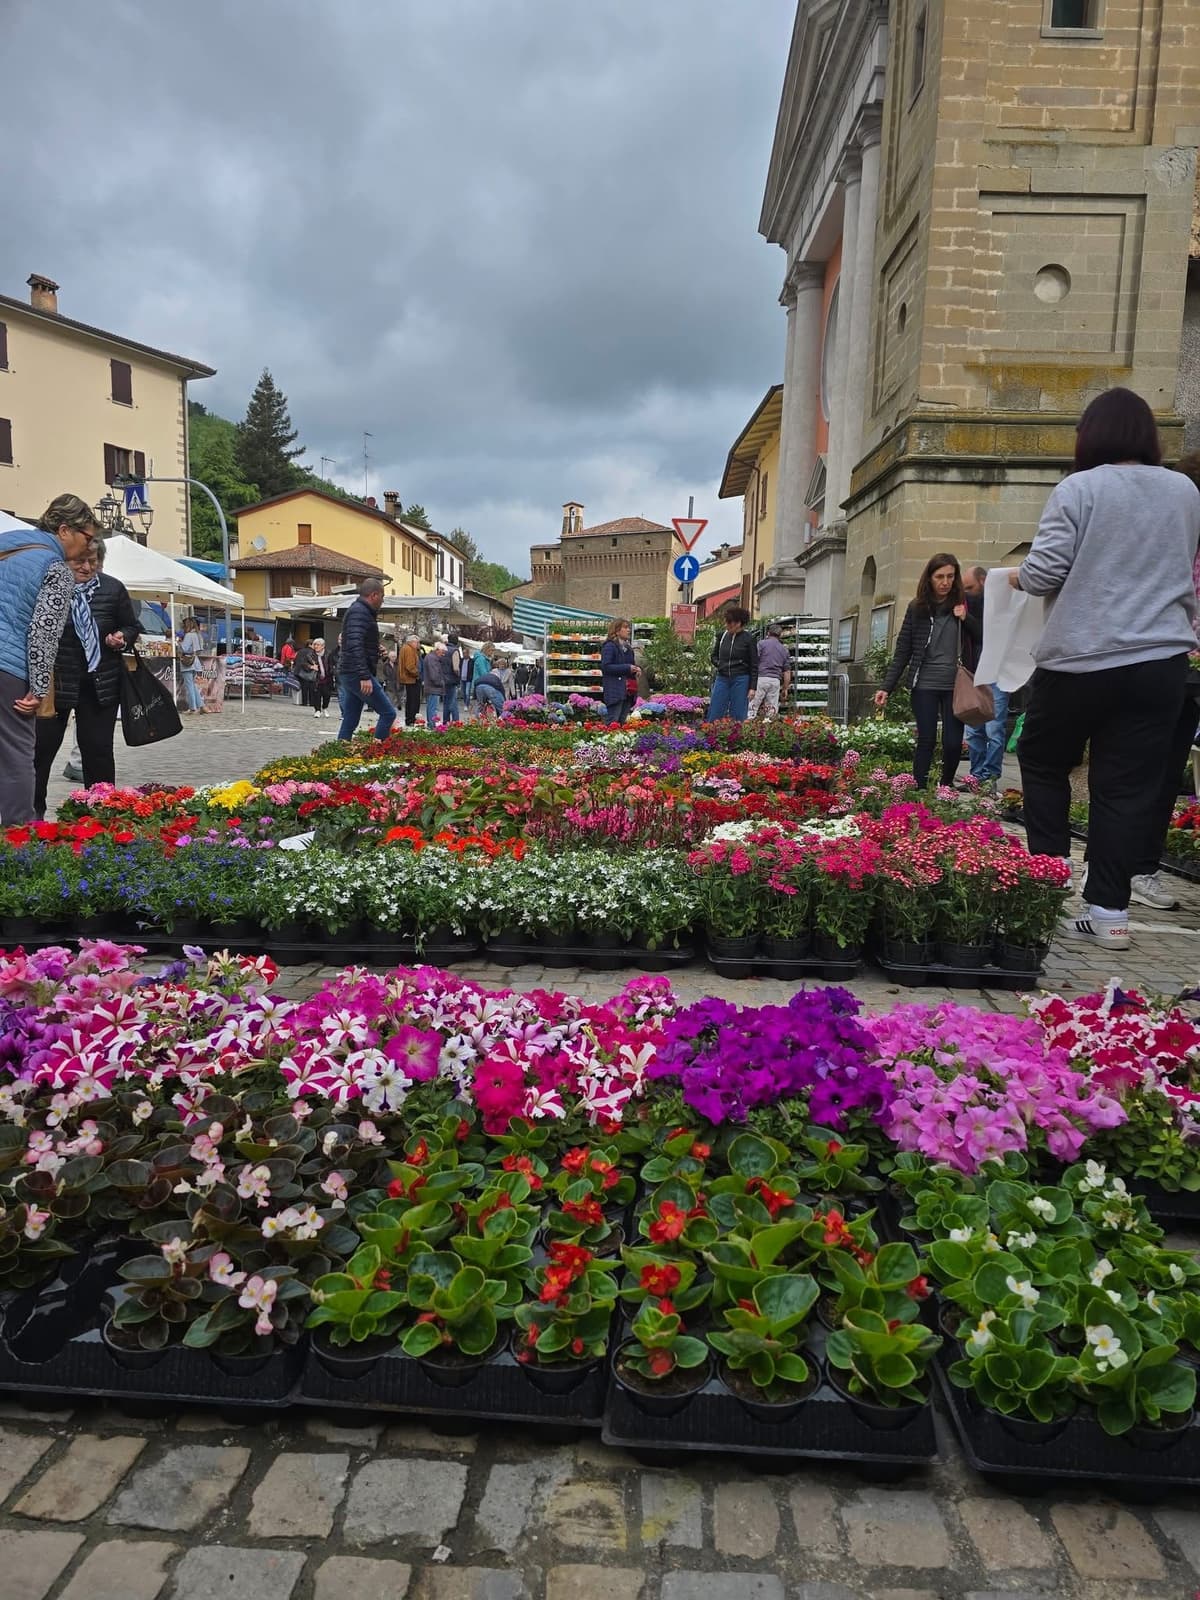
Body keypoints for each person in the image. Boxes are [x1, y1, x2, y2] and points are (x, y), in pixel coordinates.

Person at [1014, 387, 1200, 950]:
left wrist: (1015, 577)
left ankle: (1046, 884)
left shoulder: (1080, 488)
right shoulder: (1184, 491)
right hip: (1160, 660)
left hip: (1083, 655)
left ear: (1089, 436)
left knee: (1043, 760)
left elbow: (1045, 574)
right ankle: (1109, 911)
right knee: (1127, 786)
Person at [0, 493, 96, 824]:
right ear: (65, 530)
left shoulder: (6, 544)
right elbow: (43, 633)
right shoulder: (56, 568)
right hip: (7, 667)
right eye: (87, 538)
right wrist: (38, 690)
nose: (87, 547)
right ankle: (17, 845)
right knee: (16, 755)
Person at [33, 536, 140, 816]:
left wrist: (122, 637)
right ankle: (32, 817)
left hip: (100, 684)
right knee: (40, 753)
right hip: (56, 685)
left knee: (98, 753)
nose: (87, 567)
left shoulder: (112, 589)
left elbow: (131, 625)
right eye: (79, 561)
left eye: (93, 561)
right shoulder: (48, 587)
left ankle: (100, 815)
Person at [875, 553, 979, 789]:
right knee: (927, 739)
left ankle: (945, 786)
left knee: (953, 743)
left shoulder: (964, 603)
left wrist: (966, 618)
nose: (945, 582)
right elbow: (903, 650)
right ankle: (919, 788)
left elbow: (983, 637)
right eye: (939, 577)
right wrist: (885, 687)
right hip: (924, 684)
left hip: (956, 684)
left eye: (950, 576)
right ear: (929, 578)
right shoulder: (917, 608)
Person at [961, 564, 1007, 792]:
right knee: (973, 729)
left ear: (983, 580)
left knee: (994, 728)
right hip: (974, 672)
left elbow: (984, 634)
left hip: (996, 672)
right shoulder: (969, 603)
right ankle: (976, 776)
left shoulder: (997, 604)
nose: (966, 591)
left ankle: (989, 777)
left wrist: (965, 617)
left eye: (970, 586)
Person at [336, 577, 397, 742]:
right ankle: (377, 750)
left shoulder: (360, 611)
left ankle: (339, 752)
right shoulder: (360, 612)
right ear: (374, 595)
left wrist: (376, 649)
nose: (382, 602)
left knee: (350, 718)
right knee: (388, 713)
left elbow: (357, 641)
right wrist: (364, 676)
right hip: (356, 673)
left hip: (350, 671)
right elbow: (355, 645)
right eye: (382, 597)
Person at [706, 606, 757, 722]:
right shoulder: (723, 636)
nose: (726, 625)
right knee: (715, 709)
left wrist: (752, 687)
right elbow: (714, 656)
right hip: (722, 678)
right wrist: (720, 665)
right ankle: (711, 735)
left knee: (738, 712)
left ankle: (736, 736)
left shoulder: (749, 639)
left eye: (729, 622)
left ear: (738, 623)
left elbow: (754, 664)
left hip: (741, 678)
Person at [747, 623, 792, 720]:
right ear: (780, 635)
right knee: (771, 712)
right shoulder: (784, 649)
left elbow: (753, 662)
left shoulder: (761, 644)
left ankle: (747, 730)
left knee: (751, 708)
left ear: (768, 633)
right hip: (775, 681)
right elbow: (787, 672)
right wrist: (785, 688)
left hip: (760, 679)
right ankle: (768, 731)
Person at [600, 618, 637, 725]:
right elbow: (606, 667)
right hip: (615, 691)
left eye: (629, 627)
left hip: (628, 691)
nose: (628, 630)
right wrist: (627, 667)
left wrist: (635, 669)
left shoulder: (628, 648)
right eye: (625, 627)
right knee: (612, 723)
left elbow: (630, 666)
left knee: (622, 723)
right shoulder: (609, 646)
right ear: (616, 631)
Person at [179, 616, 205, 714]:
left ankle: (193, 708)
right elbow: (200, 649)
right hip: (195, 661)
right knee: (192, 685)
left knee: (189, 685)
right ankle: (201, 705)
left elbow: (184, 648)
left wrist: (179, 643)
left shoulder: (189, 635)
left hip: (187, 662)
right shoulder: (198, 635)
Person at [423, 640, 452, 727]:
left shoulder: (431, 657)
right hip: (433, 688)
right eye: (442, 652)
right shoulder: (432, 659)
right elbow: (434, 675)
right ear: (437, 650)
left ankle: (431, 724)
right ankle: (432, 725)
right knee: (433, 708)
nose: (443, 654)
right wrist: (442, 682)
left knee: (431, 707)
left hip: (431, 687)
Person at [398, 634, 421, 726]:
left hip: (408, 678)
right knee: (413, 700)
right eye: (417, 642)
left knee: (411, 700)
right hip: (411, 679)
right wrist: (417, 673)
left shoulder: (406, 648)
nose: (418, 644)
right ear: (412, 642)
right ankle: (411, 720)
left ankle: (410, 719)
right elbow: (409, 666)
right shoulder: (409, 649)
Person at [294, 637, 318, 710]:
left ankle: (304, 702)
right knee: (311, 687)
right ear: (310, 645)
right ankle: (312, 702)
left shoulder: (300, 651)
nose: (315, 646)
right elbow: (312, 661)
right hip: (308, 671)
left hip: (299, 672)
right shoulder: (312, 652)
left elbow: (296, 660)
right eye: (314, 644)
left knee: (304, 687)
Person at [443, 633, 462, 725]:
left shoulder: (444, 649)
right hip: (452, 679)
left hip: (443, 679)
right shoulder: (455, 651)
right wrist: (458, 676)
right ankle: (456, 722)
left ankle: (445, 721)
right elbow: (456, 668)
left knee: (446, 702)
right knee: (453, 702)